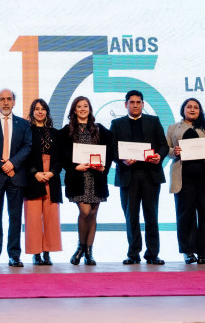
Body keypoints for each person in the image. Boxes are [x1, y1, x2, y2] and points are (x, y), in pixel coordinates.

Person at [110, 90, 168, 265]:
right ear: (126, 104)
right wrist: (122, 159)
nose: (135, 105)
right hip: (128, 175)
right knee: (131, 217)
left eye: (138, 102)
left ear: (143, 104)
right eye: (132, 102)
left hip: (150, 175)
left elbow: (163, 145)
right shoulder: (117, 123)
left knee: (152, 216)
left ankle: (152, 254)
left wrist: (159, 155)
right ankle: (133, 254)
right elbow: (112, 150)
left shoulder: (154, 121)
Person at [0, 88, 32, 267]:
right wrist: (3, 164)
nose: (5, 102)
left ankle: (14, 255)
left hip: (16, 175)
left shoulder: (23, 124)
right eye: (1, 99)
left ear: (14, 102)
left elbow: (27, 146)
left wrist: (13, 163)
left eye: (9, 99)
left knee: (15, 217)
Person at [59, 96, 113, 265]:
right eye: (79, 106)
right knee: (85, 212)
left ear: (90, 109)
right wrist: (75, 167)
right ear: (74, 110)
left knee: (94, 213)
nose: (83, 109)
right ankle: (81, 247)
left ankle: (88, 251)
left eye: (86, 106)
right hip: (78, 178)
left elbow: (109, 152)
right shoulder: (65, 131)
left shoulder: (100, 130)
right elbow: (61, 156)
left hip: (97, 178)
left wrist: (104, 166)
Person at [23, 99, 63, 265]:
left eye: (43, 109)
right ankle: (36, 253)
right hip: (33, 177)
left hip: (51, 178)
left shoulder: (55, 133)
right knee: (33, 218)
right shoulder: (26, 131)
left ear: (47, 112)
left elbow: (60, 158)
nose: (40, 112)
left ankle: (47, 252)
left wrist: (52, 173)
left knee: (51, 217)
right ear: (32, 112)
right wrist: (36, 173)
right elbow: (24, 156)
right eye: (36, 109)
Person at [166, 98, 205, 264]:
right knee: (185, 215)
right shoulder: (173, 128)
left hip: (203, 177)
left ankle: (203, 252)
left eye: (196, 107)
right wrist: (173, 151)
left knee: (204, 214)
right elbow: (165, 149)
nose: (192, 109)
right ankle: (188, 251)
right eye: (189, 106)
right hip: (183, 176)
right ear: (183, 109)